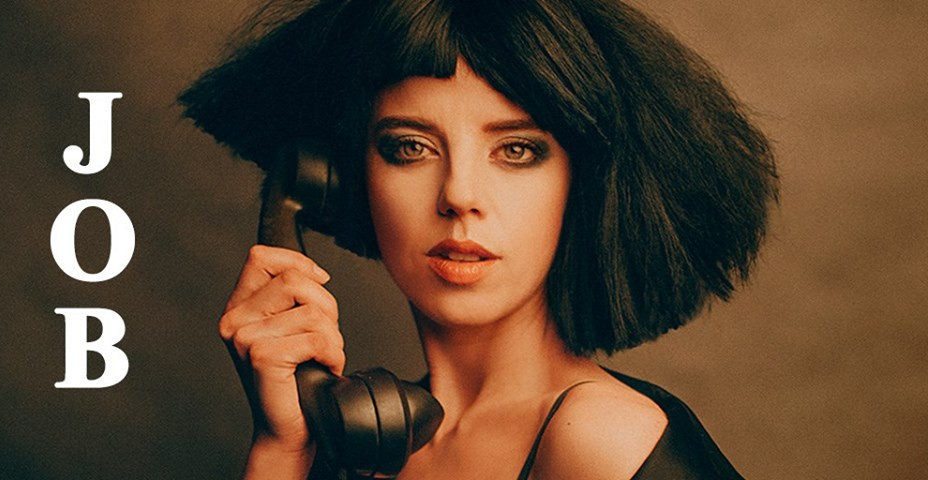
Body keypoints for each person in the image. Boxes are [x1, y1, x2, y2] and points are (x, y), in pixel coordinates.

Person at [180, 0, 778, 478]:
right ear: (342, 181)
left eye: (516, 150)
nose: (458, 194)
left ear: (581, 185)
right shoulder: (369, 442)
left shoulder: (600, 439)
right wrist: (282, 450)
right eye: (410, 147)